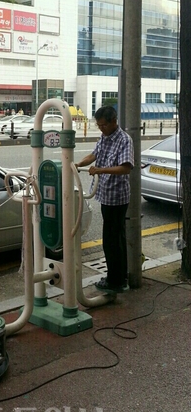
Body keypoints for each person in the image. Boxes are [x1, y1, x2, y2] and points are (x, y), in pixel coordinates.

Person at [76, 106, 134, 293]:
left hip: (117, 196)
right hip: (105, 194)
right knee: (115, 237)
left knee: (112, 240)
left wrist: (99, 170)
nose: (101, 129)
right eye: (98, 125)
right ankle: (119, 276)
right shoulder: (104, 137)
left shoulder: (124, 140)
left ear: (113, 121)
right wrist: (79, 163)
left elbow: (125, 168)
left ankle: (115, 280)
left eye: (103, 125)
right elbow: (95, 154)